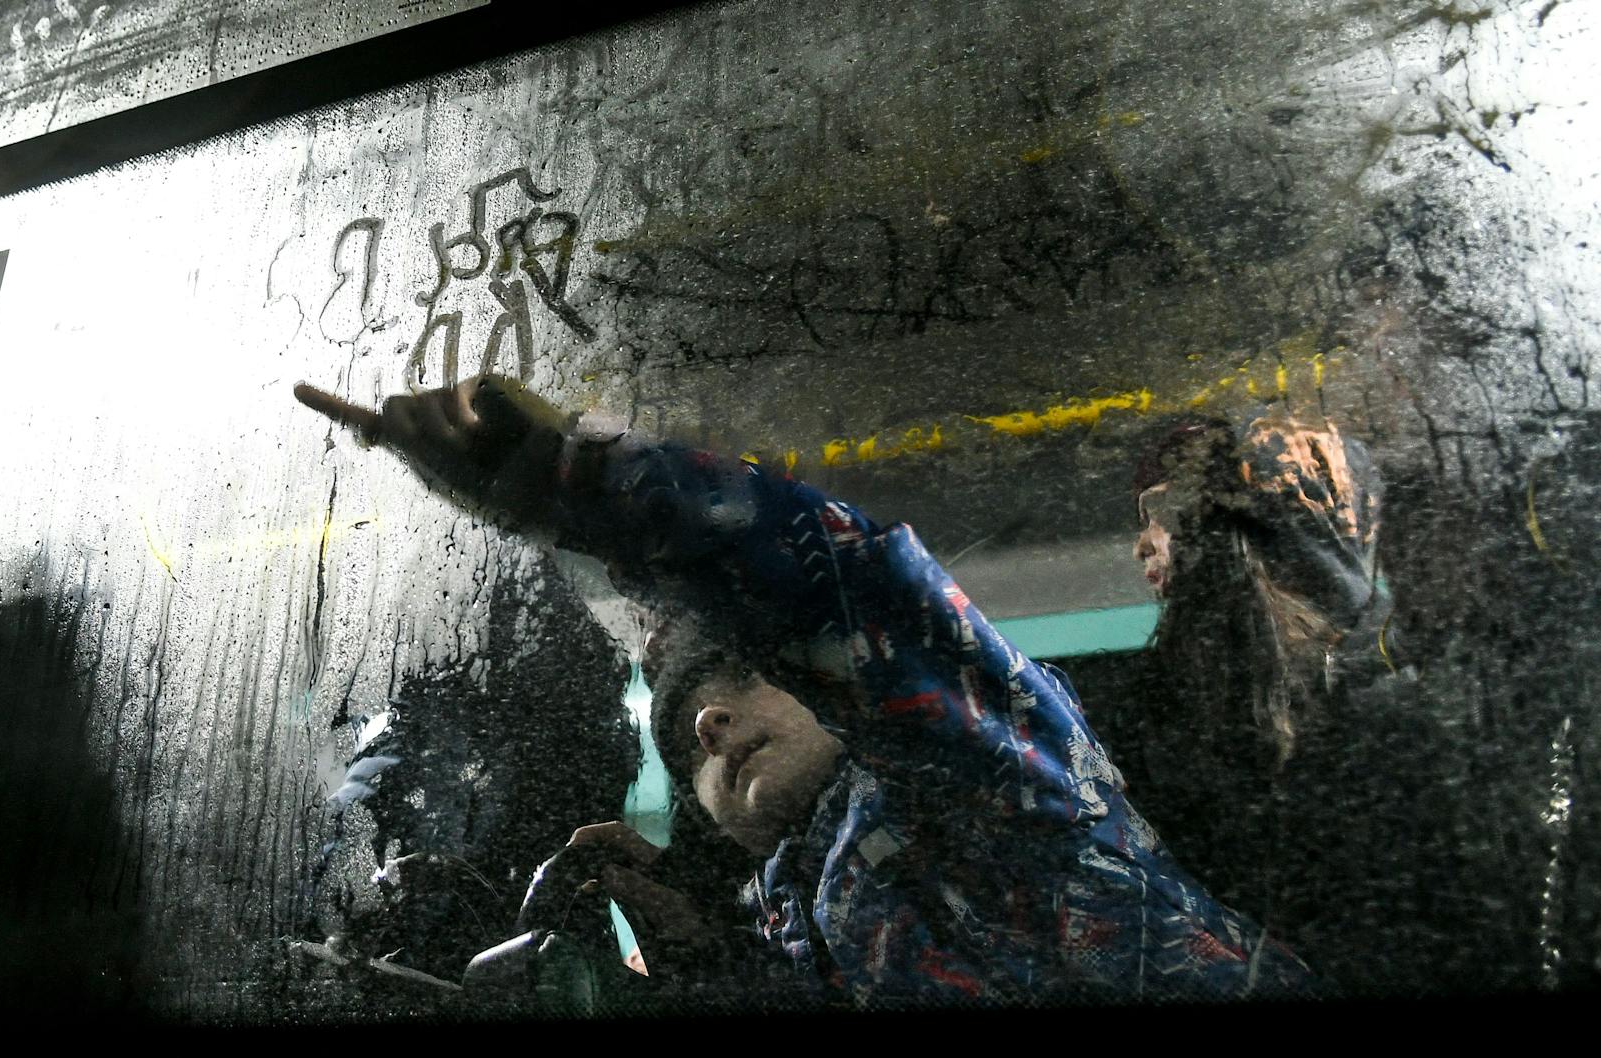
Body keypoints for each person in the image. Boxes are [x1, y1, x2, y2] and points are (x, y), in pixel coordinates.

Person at [294, 375, 1314, 1006]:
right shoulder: (791, 920)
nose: (706, 722)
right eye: (684, 741)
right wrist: (689, 945)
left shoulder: (982, 779)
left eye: (742, 675)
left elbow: (851, 591)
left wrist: (567, 479)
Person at [1121, 417, 1474, 994]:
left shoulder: (1383, 686)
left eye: (1164, 512)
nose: (1144, 543)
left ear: (1248, 524)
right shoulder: (1196, 694)